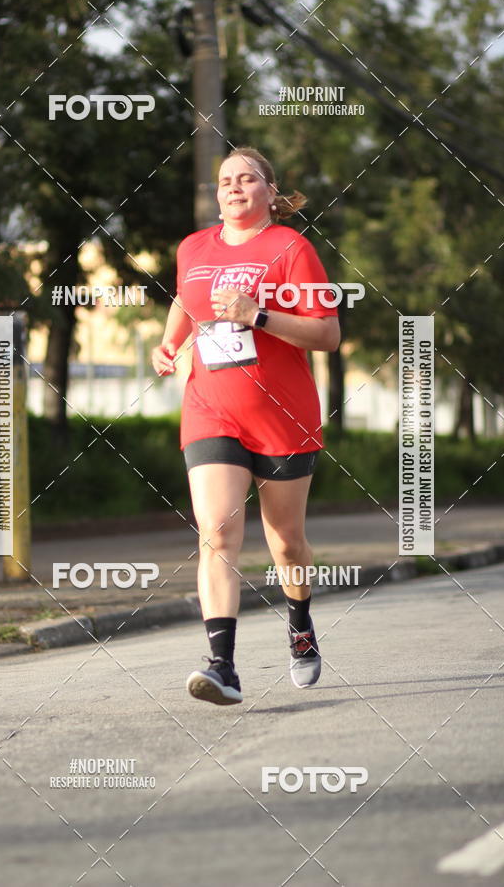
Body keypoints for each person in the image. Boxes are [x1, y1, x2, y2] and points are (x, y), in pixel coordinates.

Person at [151, 146, 341, 705]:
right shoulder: (193, 248)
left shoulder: (291, 248)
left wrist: (256, 315)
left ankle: (300, 624)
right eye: (225, 180)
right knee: (217, 531)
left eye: (247, 178)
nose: (233, 187)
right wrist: (169, 343)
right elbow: (185, 302)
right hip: (211, 408)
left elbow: (327, 334)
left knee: (286, 542)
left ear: (270, 192)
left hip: (283, 416)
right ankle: (223, 667)